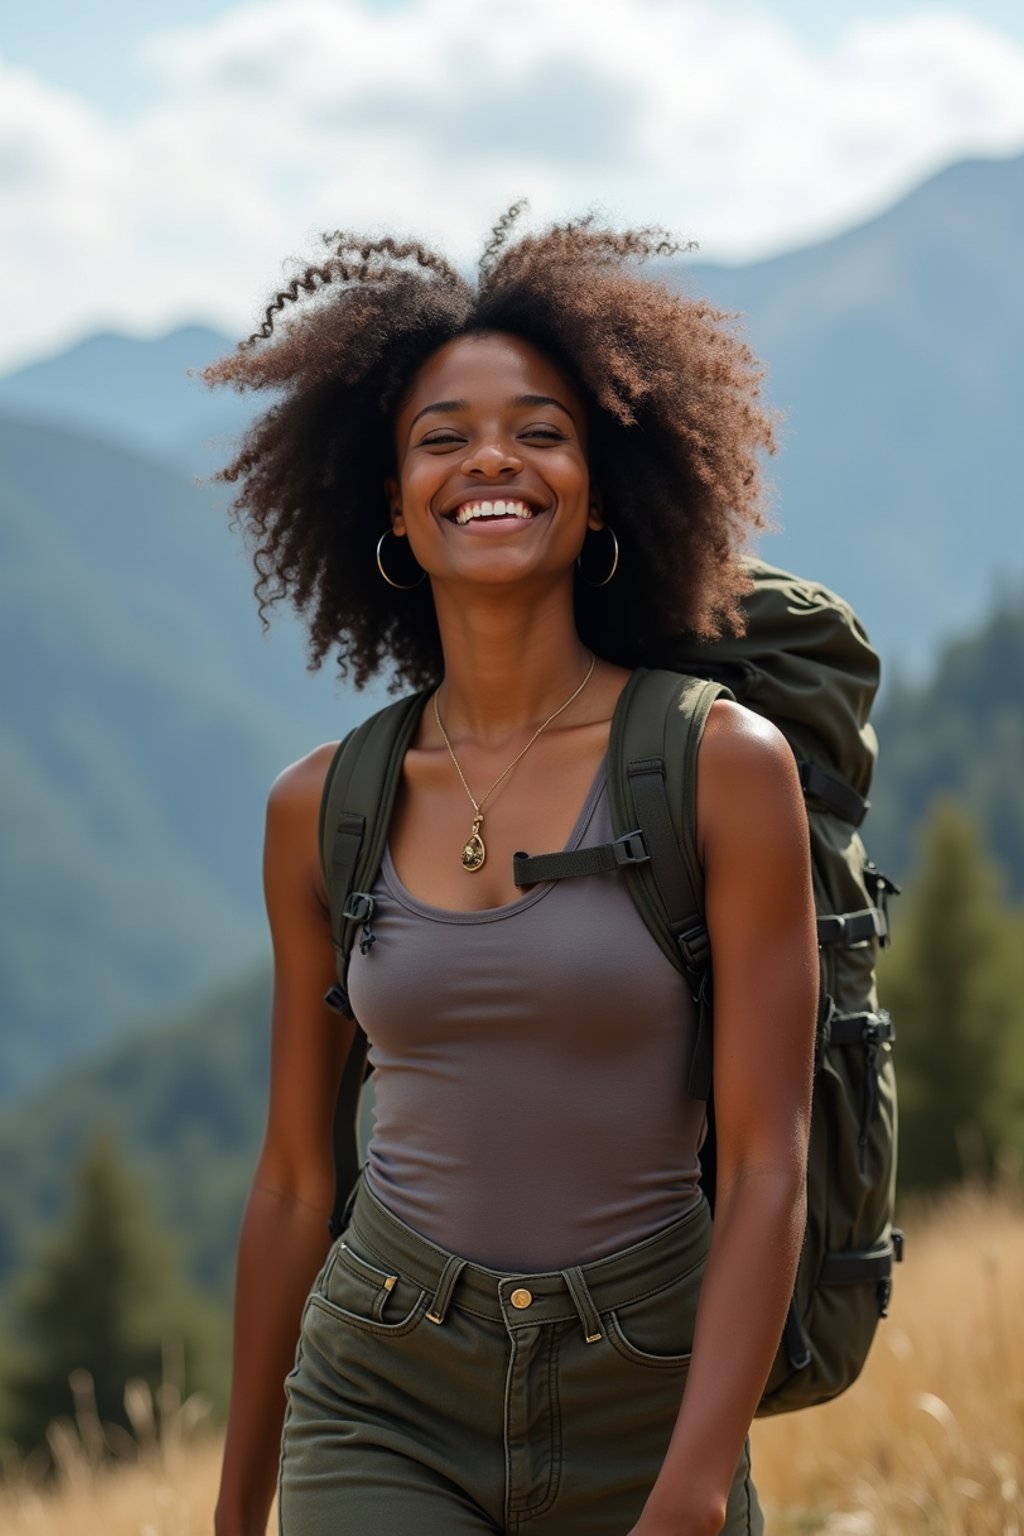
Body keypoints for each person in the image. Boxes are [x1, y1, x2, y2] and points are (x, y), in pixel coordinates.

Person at [207, 209, 818, 1536]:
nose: (493, 459)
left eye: (541, 430)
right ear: (390, 497)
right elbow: (296, 1179)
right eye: (444, 437)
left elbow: (773, 1159)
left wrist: (698, 1488)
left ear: (599, 483)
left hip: (646, 1394)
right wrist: (232, 1509)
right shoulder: (321, 808)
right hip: (382, 1386)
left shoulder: (721, 767)